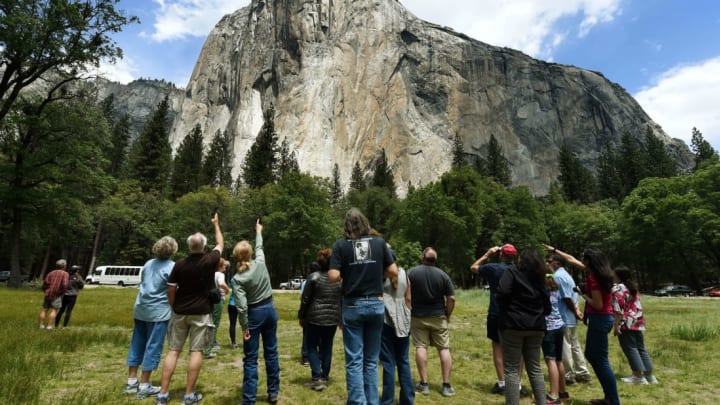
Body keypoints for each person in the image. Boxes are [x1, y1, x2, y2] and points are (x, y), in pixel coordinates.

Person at [328, 208, 398, 405]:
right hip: (376, 303)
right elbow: (393, 271)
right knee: (371, 359)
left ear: (346, 226)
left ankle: (358, 401)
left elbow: (333, 276)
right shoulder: (379, 243)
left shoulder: (341, 245)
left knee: (354, 360)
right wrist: (377, 272)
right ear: (365, 223)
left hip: (353, 305)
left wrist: (348, 272)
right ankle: (373, 401)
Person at [156, 214, 223, 405]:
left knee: (173, 351)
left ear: (189, 246)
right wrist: (216, 225)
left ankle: (162, 393)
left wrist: (173, 305)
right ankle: (188, 395)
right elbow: (220, 243)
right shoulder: (210, 260)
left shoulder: (179, 264)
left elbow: (170, 288)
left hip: (180, 312)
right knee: (196, 352)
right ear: (203, 246)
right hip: (201, 312)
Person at [545, 245, 619, 405]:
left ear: (589, 261)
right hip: (603, 318)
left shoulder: (594, 278)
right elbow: (571, 259)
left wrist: (582, 293)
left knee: (600, 359)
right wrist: (555, 250)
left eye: (583, 258)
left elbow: (598, 305)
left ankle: (613, 399)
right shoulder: (602, 273)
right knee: (594, 356)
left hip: (600, 319)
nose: (581, 260)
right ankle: (609, 397)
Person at [124, 236, 178, 399]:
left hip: (141, 308)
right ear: (173, 250)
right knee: (153, 346)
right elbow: (173, 290)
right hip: (159, 312)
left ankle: (131, 382)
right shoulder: (172, 267)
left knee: (137, 343)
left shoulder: (148, 264)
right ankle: (145, 383)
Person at [232, 219, 280, 405]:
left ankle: (249, 399)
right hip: (270, 310)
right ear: (250, 254)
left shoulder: (238, 278)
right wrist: (258, 230)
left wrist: (245, 327)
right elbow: (260, 246)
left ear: (237, 257)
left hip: (254, 314)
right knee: (272, 353)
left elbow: (242, 307)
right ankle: (273, 392)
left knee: (251, 359)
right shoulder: (260, 262)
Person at [470, 244, 527, 396]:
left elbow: (474, 267)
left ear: (501, 255)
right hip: (517, 315)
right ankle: (518, 384)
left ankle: (502, 383)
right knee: (519, 349)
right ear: (514, 257)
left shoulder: (493, 268)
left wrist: (487, 253)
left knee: (498, 348)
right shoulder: (521, 270)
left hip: (496, 313)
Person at [496, 248, 551, 405]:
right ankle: (541, 402)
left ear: (522, 260)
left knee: (512, 370)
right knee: (535, 369)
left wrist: (508, 309)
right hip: (537, 326)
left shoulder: (512, 272)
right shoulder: (540, 278)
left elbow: (502, 292)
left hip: (513, 325)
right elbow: (548, 305)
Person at [406, 247, 455, 398]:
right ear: (435, 260)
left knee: (421, 347)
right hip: (438, 316)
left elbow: (406, 296)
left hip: (418, 316)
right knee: (444, 349)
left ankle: (424, 384)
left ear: (423, 258)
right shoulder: (443, 275)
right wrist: (447, 314)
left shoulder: (412, 273)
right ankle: (446, 386)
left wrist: (409, 310)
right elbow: (451, 298)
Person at [297, 249, 342, 391]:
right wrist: (340, 317)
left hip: (314, 317)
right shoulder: (339, 279)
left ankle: (316, 377)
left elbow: (305, 299)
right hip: (332, 318)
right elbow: (341, 300)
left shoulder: (313, 277)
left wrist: (301, 315)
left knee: (311, 347)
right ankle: (324, 377)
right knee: (327, 347)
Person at [547, 254, 592, 385]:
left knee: (564, 347)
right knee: (574, 346)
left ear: (557, 263)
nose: (547, 263)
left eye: (550, 261)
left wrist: (575, 311)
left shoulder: (558, 276)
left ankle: (568, 375)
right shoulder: (567, 275)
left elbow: (567, 298)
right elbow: (573, 295)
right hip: (570, 316)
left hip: (564, 316)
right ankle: (582, 372)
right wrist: (577, 311)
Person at [612, 266, 658, 385]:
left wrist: (616, 326)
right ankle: (649, 376)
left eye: (614, 274)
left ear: (619, 276)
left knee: (630, 348)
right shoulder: (633, 287)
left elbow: (618, 309)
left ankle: (637, 376)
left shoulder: (618, 288)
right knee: (640, 348)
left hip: (626, 321)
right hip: (637, 320)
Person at [380, 249, 414, 405]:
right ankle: (407, 399)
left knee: (388, 363)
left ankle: (387, 400)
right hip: (403, 321)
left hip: (386, 321)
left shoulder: (381, 276)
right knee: (404, 361)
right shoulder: (403, 273)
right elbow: (408, 299)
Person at [542, 270, 569, 404]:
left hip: (549, 328)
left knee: (550, 360)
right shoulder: (555, 290)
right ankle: (563, 392)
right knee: (558, 360)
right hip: (559, 326)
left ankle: (553, 395)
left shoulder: (542, 292)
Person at [203, 258, 230, 359]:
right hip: (217, 300)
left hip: (208, 300)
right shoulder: (220, 275)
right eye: (224, 266)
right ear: (219, 266)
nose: (225, 268)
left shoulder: (209, 274)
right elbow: (221, 284)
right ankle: (209, 348)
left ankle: (211, 344)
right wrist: (227, 290)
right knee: (215, 323)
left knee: (208, 322)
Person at [39, 259, 70, 330]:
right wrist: (62, 292)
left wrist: (45, 291)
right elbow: (65, 285)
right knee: (54, 310)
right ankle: (49, 326)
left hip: (48, 294)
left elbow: (45, 284)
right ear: (64, 266)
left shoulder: (51, 273)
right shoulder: (65, 274)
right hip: (57, 295)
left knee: (44, 310)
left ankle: (41, 326)